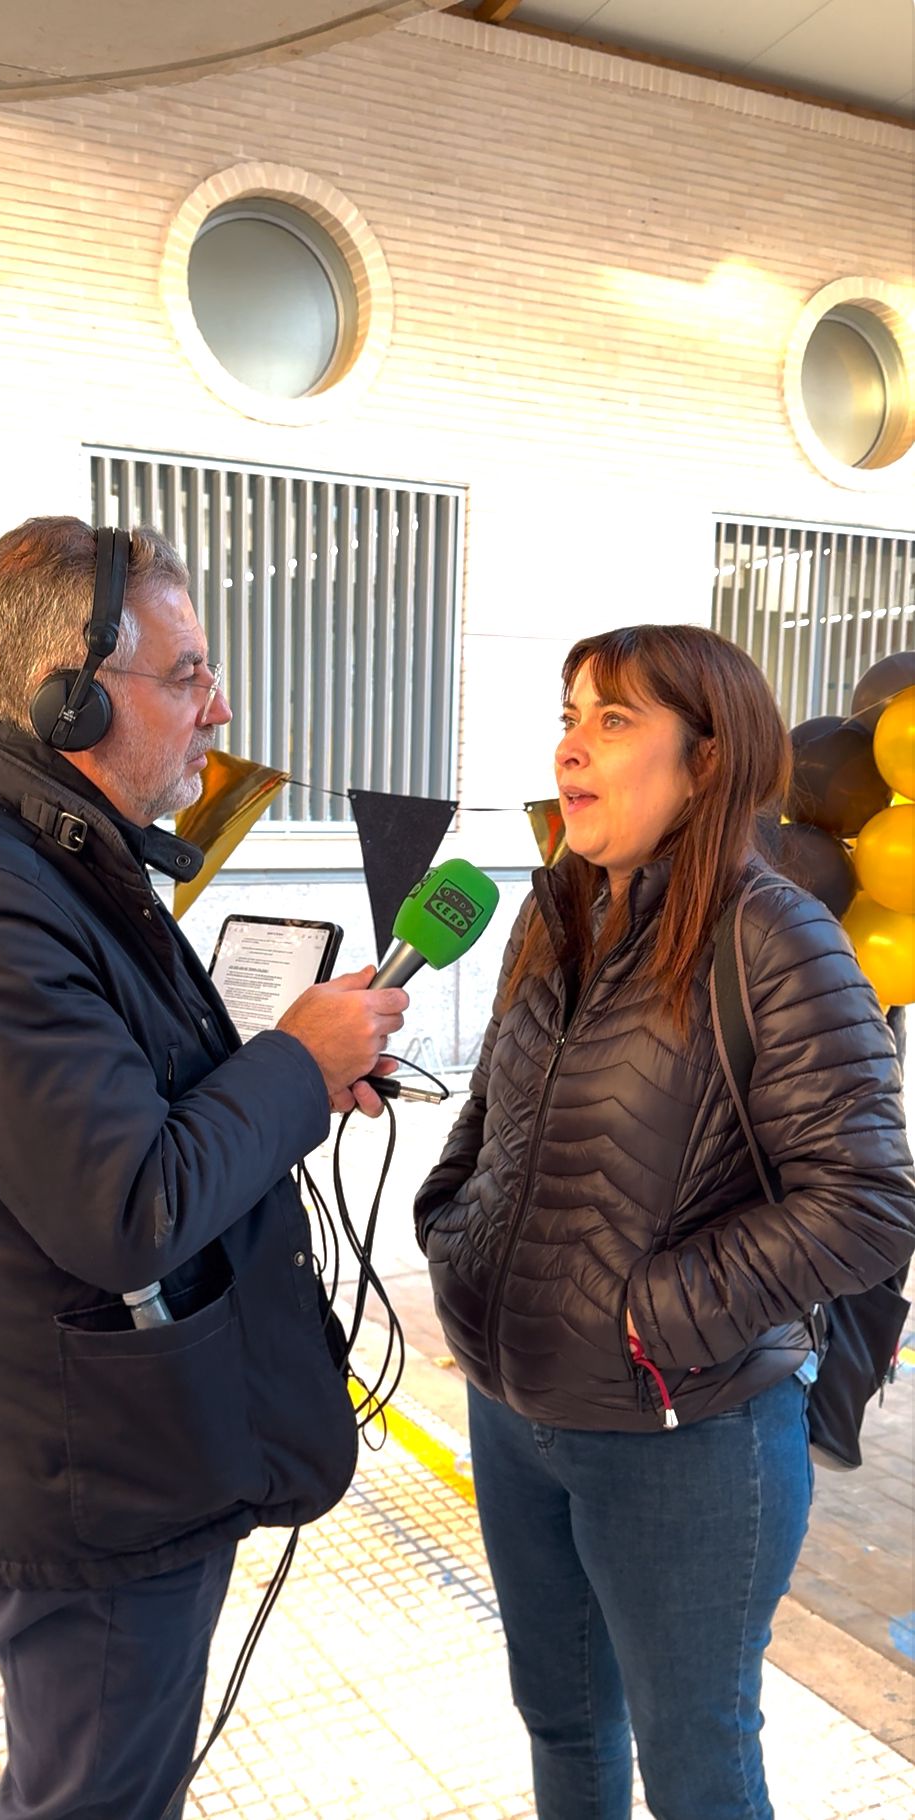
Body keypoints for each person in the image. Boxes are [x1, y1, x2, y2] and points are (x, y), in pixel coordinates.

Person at [0, 516, 408, 1820]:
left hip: (136, 1459)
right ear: (70, 693)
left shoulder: (64, 862)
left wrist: (304, 1075)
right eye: (185, 674)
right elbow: (126, 1206)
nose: (218, 708)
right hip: (94, 1490)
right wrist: (289, 1061)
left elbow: (144, 1123)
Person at [414, 623, 915, 1820]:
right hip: (511, 1406)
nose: (570, 745)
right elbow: (489, 1108)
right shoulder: (554, 914)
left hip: (683, 1436)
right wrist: (452, 1227)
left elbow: (866, 1203)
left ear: (706, 761)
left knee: (693, 1762)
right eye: (569, 712)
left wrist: (647, 1315)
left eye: (614, 718)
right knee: (561, 1723)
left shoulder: (774, 937)